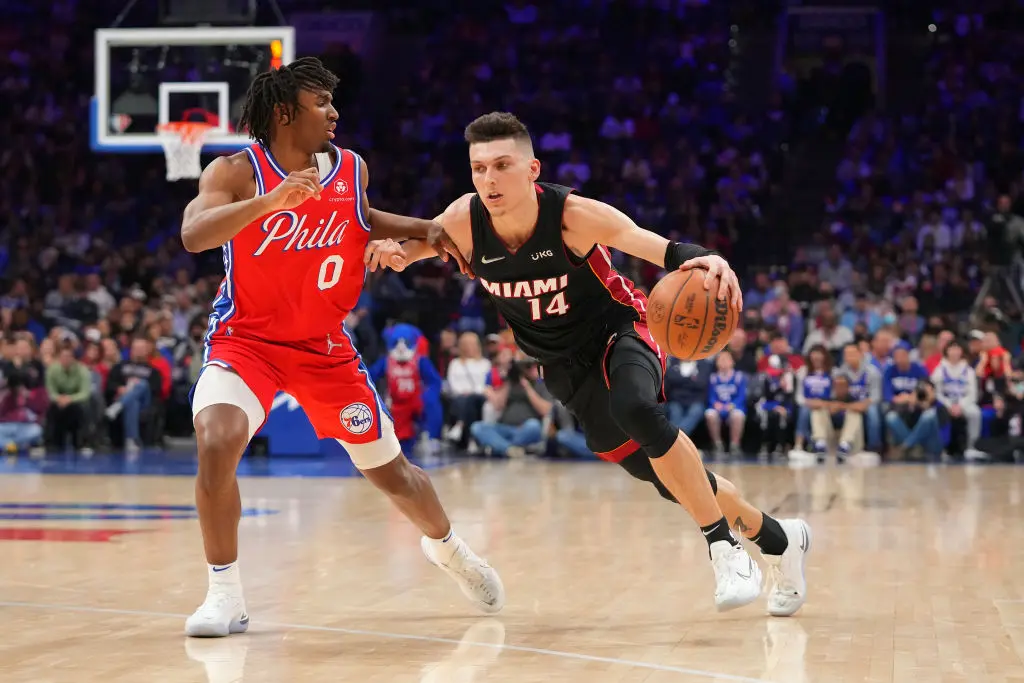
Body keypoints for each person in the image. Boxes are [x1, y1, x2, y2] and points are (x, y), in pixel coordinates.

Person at [385, 112, 811, 617]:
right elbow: (410, 247)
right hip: (564, 367)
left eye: (502, 165)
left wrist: (707, 257)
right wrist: (389, 251)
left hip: (623, 329)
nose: (489, 179)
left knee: (636, 407)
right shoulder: (463, 222)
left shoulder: (571, 215)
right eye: (478, 168)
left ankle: (724, 547)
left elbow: (659, 247)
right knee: (671, 480)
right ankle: (783, 541)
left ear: (531, 169)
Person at [178, 57, 501, 638]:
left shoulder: (350, 167)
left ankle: (449, 549)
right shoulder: (235, 170)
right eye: (320, 103)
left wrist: (424, 230)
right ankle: (224, 593)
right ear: (283, 113)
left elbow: (362, 217)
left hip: (324, 350)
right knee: (217, 440)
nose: (334, 112)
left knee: (393, 475)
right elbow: (194, 234)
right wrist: (268, 202)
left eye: (332, 101)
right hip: (246, 341)